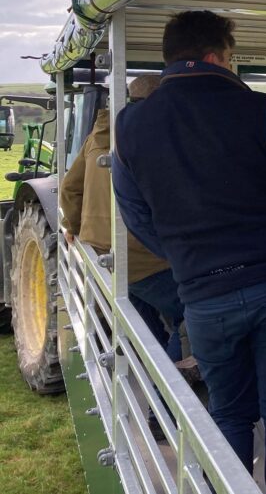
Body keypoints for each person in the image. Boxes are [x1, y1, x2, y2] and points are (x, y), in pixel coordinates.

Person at [112, 10, 266, 494]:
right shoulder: (262, 111)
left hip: (206, 294)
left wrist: (189, 255)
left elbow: (136, 215)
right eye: (231, 57)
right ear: (216, 56)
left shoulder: (131, 128)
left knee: (229, 413)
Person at [60, 75, 194, 372]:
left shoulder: (98, 135)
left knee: (144, 328)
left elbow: (70, 188)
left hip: (105, 253)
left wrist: (72, 226)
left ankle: (149, 384)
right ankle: (172, 395)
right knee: (196, 307)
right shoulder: (156, 136)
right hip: (143, 253)